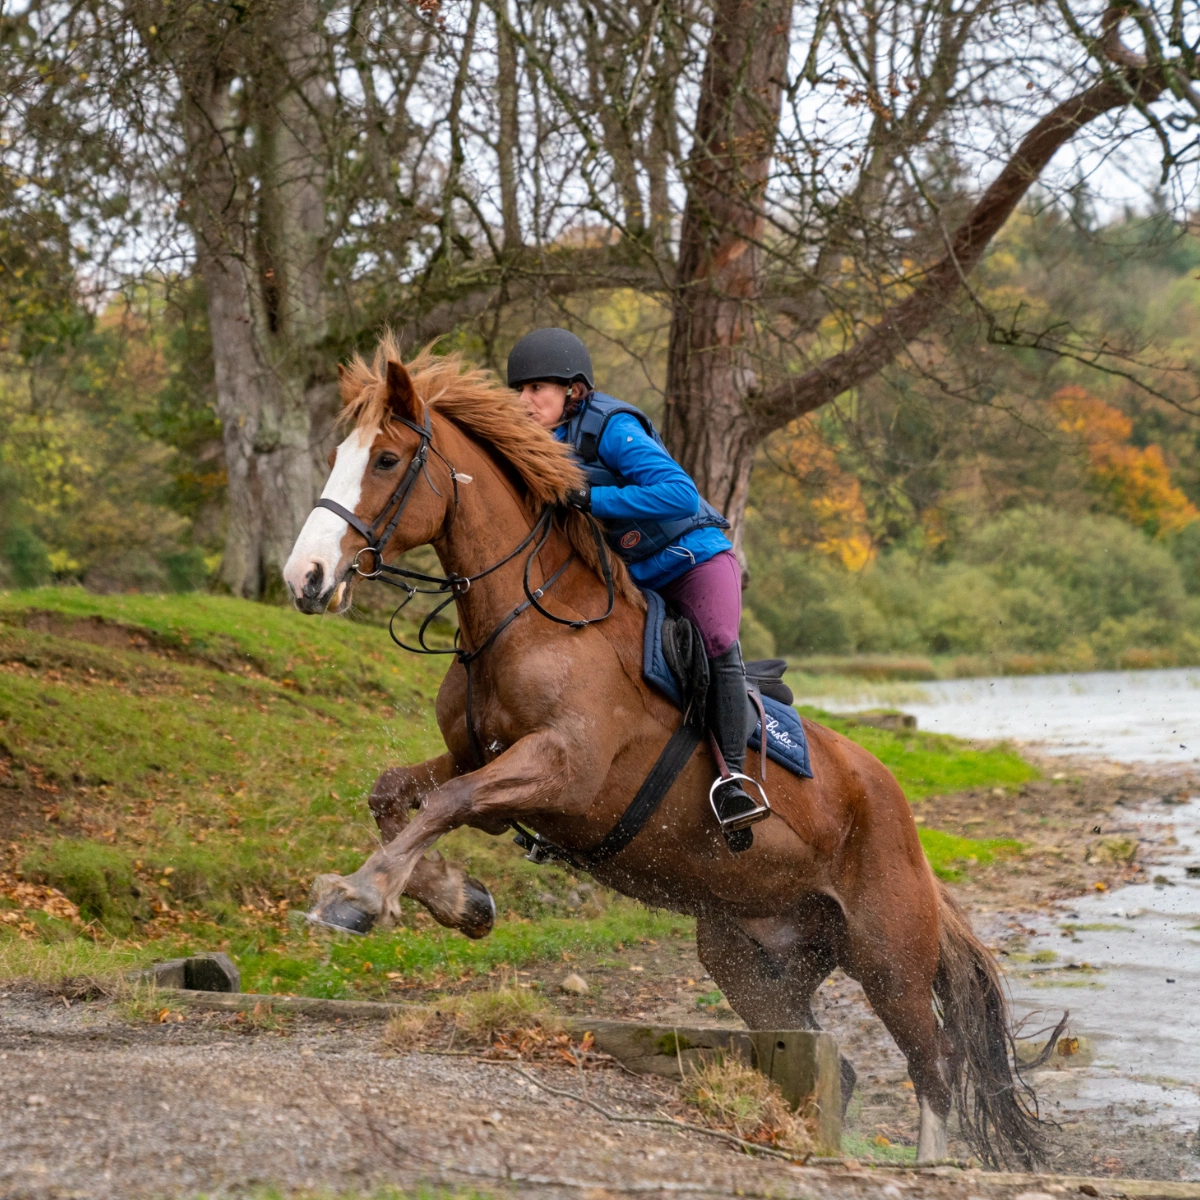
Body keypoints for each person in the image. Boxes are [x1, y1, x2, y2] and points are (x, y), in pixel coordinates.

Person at [507, 326, 767, 850]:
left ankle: (734, 781)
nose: (525, 400)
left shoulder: (613, 426)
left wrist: (591, 500)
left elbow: (678, 493)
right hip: (632, 579)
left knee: (716, 639)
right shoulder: (536, 442)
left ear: (573, 391)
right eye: (521, 389)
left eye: (538, 388)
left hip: (692, 560)